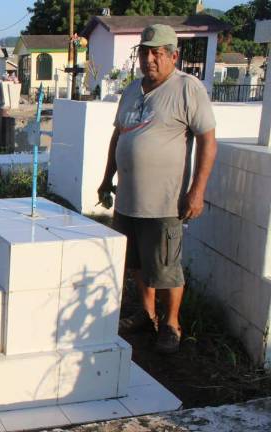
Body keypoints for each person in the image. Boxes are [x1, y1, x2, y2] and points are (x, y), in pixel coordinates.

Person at [98, 24, 217, 354]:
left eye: (158, 53)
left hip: (163, 202)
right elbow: (118, 137)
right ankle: (147, 315)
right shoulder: (132, 90)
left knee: (165, 267)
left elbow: (208, 140)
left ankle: (171, 324)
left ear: (173, 56)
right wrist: (107, 178)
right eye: (145, 52)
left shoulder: (187, 89)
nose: (149, 59)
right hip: (128, 199)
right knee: (136, 262)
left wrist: (197, 190)